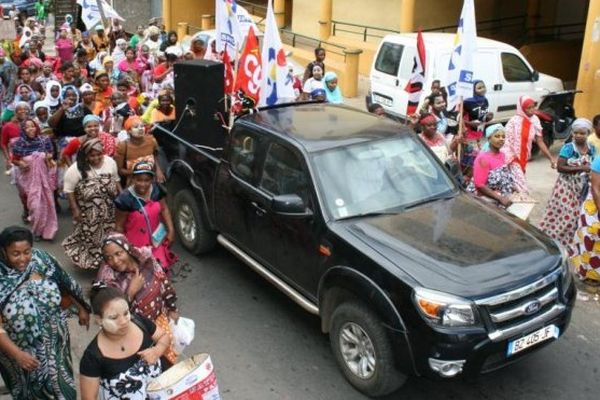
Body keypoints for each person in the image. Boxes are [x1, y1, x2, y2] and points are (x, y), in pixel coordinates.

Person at [0, 226, 90, 399]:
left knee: (64, 388)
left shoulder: (41, 259)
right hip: (21, 352)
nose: (23, 259)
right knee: (31, 391)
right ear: (3, 251)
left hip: (56, 340)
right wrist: (18, 355)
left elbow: (64, 280)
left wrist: (81, 308)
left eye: (27, 251)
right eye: (15, 253)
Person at [98, 233, 179, 364]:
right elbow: (112, 315)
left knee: (168, 360)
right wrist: (131, 292)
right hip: (137, 333)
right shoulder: (110, 281)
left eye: (118, 254)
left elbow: (163, 281)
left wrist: (172, 308)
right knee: (150, 366)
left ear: (128, 249)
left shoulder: (146, 261)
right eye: (109, 258)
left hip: (160, 322)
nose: (115, 261)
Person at [79, 283, 170, 400]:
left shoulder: (139, 322)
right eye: (113, 317)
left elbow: (163, 336)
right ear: (99, 320)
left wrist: (157, 351)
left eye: (126, 313)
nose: (123, 321)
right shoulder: (92, 358)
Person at [62, 138, 120, 269]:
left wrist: (122, 199)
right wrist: (75, 209)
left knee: (109, 236)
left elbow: (116, 181)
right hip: (89, 212)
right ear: (86, 155)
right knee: (91, 238)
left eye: (99, 154)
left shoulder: (110, 162)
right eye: (92, 155)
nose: (96, 158)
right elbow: (69, 191)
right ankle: (92, 263)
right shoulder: (75, 169)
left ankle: (107, 261)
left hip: (109, 210)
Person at [539, 118, 596, 247]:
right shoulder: (568, 148)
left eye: (582, 133)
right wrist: (581, 167)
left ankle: (569, 243)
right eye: (576, 133)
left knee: (577, 216)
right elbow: (560, 167)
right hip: (566, 188)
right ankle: (551, 240)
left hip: (582, 188)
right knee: (562, 214)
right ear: (572, 133)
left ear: (588, 133)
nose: (578, 136)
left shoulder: (591, 149)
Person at [114, 160, 176, 269]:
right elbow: (119, 226)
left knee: (161, 270)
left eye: (147, 180)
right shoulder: (125, 199)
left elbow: (164, 209)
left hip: (156, 242)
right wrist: (122, 250)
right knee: (143, 275)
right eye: (139, 180)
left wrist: (171, 230)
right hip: (136, 245)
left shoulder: (157, 190)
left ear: (152, 179)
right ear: (133, 179)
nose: (143, 184)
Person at [11, 118, 58, 240]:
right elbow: (14, 160)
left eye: (32, 126)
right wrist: (20, 163)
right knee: (35, 205)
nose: (30, 129)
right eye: (27, 127)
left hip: (44, 179)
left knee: (47, 203)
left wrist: (48, 157)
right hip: (29, 180)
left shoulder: (44, 140)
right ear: (23, 130)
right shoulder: (19, 144)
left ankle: (49, 230)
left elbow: (50, 155)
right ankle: (37, 230)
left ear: (36, 127)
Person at [502, 95, 557, 192]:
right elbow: (506, 141)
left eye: (533, 107)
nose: (532, 110)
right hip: (512, 157)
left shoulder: (535, 120)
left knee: (514, 183)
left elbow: (540, 141)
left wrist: (551, 158)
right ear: (522, 108)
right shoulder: (514, 121)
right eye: (528, 108)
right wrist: (510, 156)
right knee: (521, 187)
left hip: (524, 156)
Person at [466, 124, 517, 207]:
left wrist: (512, 187)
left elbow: (503, 175)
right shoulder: (483, 158)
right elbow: (479, 185)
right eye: (497, 136)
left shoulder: (502, 155)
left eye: (503, 136)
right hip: (484, 199)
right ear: (489, 138)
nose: (501, 139)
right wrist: (500, 198)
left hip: (499, 195)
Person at [115, 116, 165, 183]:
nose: (140, 129)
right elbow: (120, 170)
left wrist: (158, 171)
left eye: (142, 126)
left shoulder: (151, 141)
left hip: (151, 177)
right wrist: (139, 173)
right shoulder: (123, 146)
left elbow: (154, 156)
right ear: (129, 131)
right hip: (133, 180)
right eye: (136, 127)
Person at [461, 80, 494, 177]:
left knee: (477, 158)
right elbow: (459, 118)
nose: (482, 90)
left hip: (479, 134)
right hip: (468, 135)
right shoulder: (467, 102)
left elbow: (482, 117)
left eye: (483, 87)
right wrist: (469, 124)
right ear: (473, 90)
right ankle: (467, 178)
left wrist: (488, 118)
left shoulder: (485, 100)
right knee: (471, 158)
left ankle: (474, 178)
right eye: (479, 88)